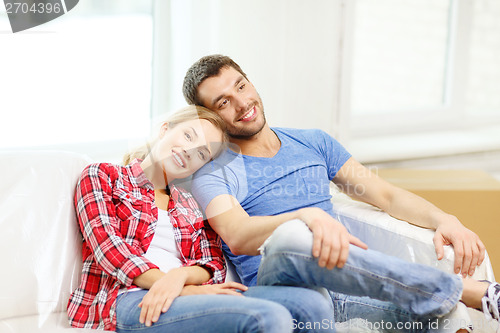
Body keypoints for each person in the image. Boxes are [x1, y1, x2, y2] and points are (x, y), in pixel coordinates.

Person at [182, 55, 500, 331]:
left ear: (250, 83)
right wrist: (306, 217)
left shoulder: (313, 142)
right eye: (223, 102)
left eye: (241, 86)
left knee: (449, 313)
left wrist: (445, 219)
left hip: (349, 287)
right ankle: (468, 289)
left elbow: (385, 196)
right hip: (283, 290)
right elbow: (237, 235)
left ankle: (456, 295)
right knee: (291, 237)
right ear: (207, 116)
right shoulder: (212, 171)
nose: (241, 103)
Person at [66, 105, 335, 332]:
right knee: (268, 316)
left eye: (202, 153)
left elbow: (213, 263)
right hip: (129, 297)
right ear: (165, 129)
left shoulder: (189, 203)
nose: (188, 151)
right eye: (187, 135)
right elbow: (110, 250)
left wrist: (181, 276)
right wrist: (178, 288)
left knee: (312, 303)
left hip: (187, 291)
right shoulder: (103, 175)